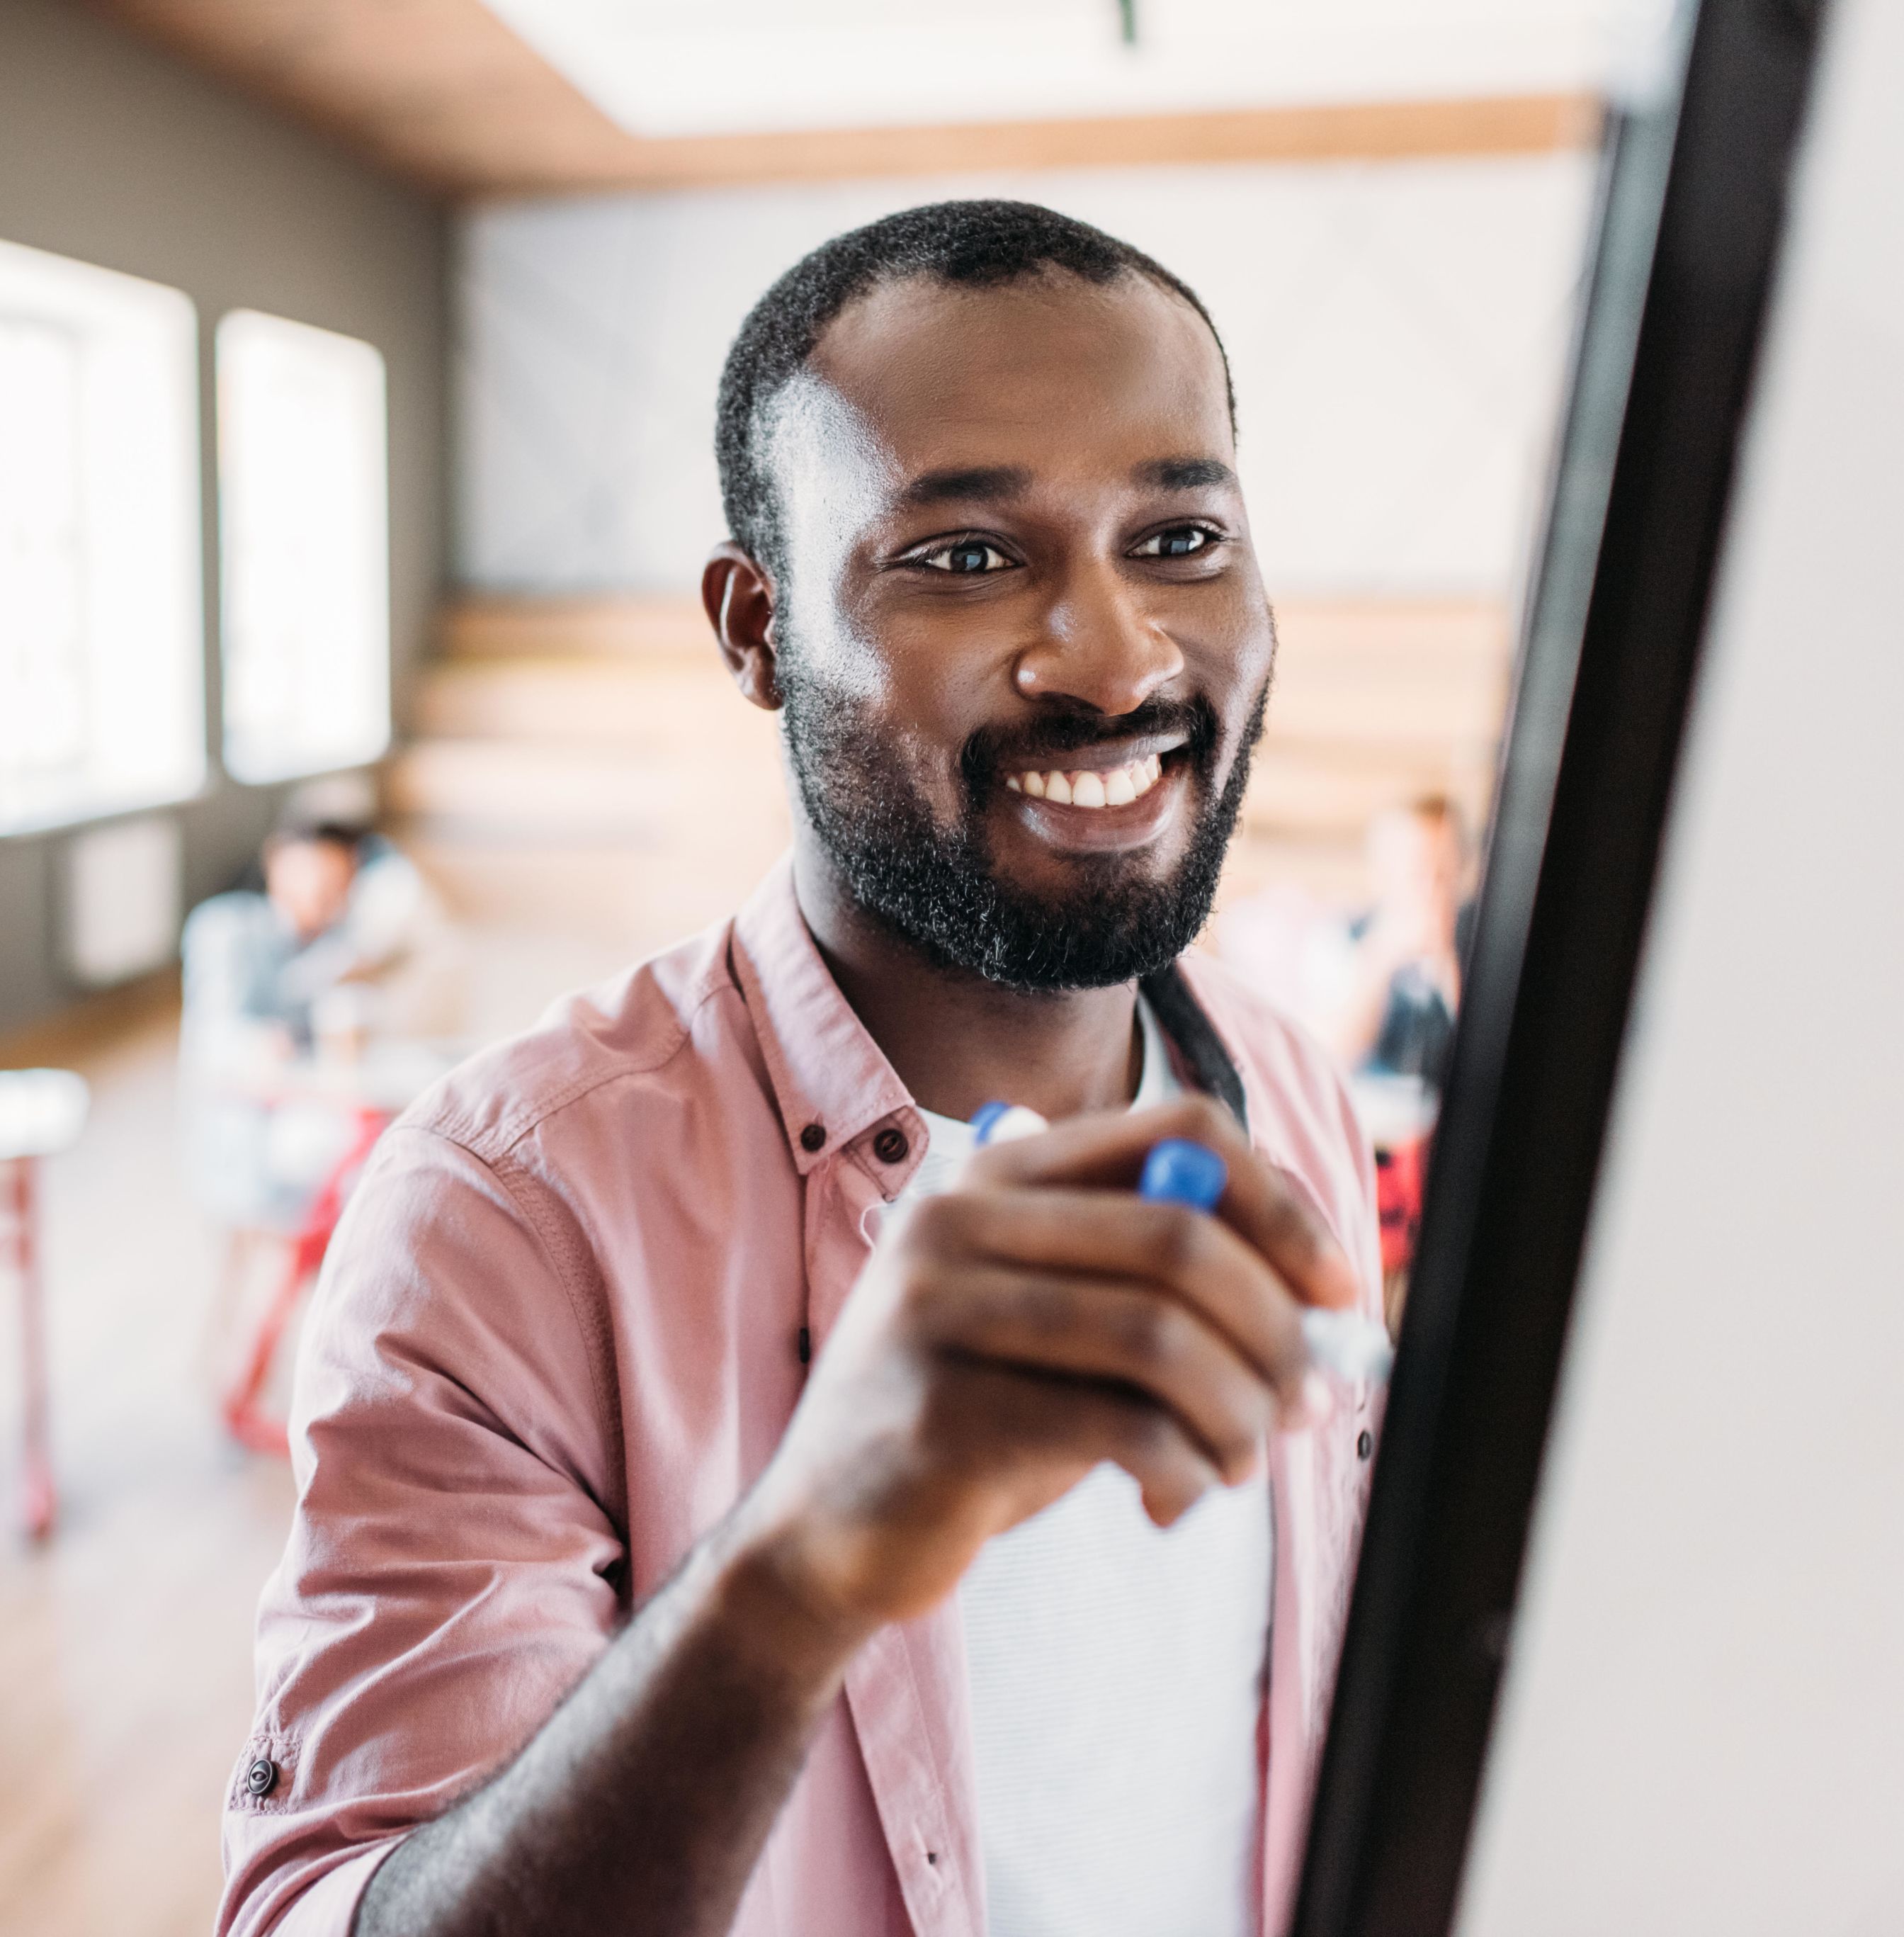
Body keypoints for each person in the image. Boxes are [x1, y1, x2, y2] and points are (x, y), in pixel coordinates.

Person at [218, 201, 1386, 1937]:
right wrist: (806, 1560)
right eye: (967, 556)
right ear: (754, 628)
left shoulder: (1288, 1086)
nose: (1118, 654)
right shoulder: (506, 1211)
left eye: (1180, 532)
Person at [181, 807, 455, 1229]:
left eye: (337, 882)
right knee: (381, 1172)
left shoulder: (344, 943)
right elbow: (219, 1034)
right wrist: (262, 1044)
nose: (320, 893)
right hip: (250, 1133)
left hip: (320, 1109)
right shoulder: (227, 928)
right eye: (308, 875)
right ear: (275, 864)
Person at [1330, 795, 1470, 1085]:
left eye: (1444, 874)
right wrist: (1380, 961)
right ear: (1383, 873)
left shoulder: (1478, 942)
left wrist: (1446, 962)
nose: (1431, 889)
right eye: (1417, 872)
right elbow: (1333, 1058)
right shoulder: (1346, 939)